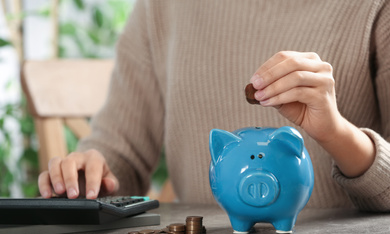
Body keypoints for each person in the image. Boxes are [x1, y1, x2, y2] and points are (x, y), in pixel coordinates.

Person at [38, 0, 390, 211]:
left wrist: (335, 132)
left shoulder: (376, 9)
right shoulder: (164, 7)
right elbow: (120, 154)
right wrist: (90, 174)